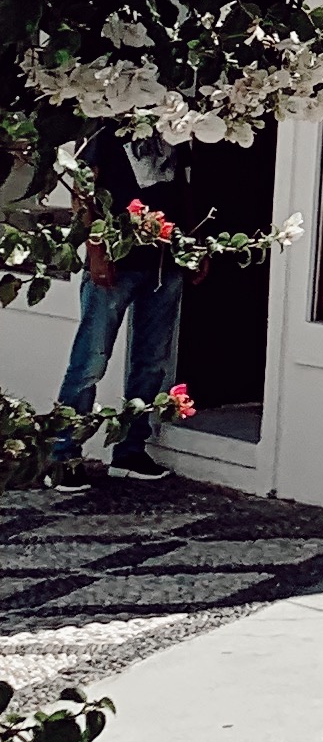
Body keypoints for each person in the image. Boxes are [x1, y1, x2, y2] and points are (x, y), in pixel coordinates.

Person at [51, 136, 186, 484]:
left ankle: (130, 451)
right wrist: (96, 250)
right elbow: (83, 187)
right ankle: (63, 456)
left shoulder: (177, 128)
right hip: (115, 261)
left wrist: (193, 249)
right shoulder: (108, 126)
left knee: (152, 362)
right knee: (90, 362)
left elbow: (183, 188)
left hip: (165, 262)